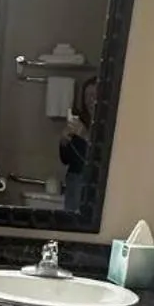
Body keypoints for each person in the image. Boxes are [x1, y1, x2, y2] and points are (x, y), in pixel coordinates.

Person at [59, 75, 98, 214]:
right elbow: (65, 159)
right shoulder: (79, 121)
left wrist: (85, 135)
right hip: (73, 180)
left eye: (94, 95)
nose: (90, 100)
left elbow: (102, 156)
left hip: (92, 182)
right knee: (70, 219)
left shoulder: (107, 124)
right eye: (87, 95)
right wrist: (63, 141)